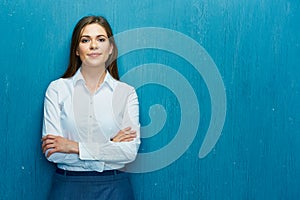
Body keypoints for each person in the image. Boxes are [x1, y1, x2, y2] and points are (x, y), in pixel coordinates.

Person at [41, 15, 140, 200]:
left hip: (115, 189)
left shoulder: (126, 93)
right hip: (67, 188)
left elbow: (128, 153)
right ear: (77, 50)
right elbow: (53, 152)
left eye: (101, 39)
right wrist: (109, 146)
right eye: (85, 40)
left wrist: (74, 146)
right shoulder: (57, 89)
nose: (94, 46)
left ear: (110, 48)